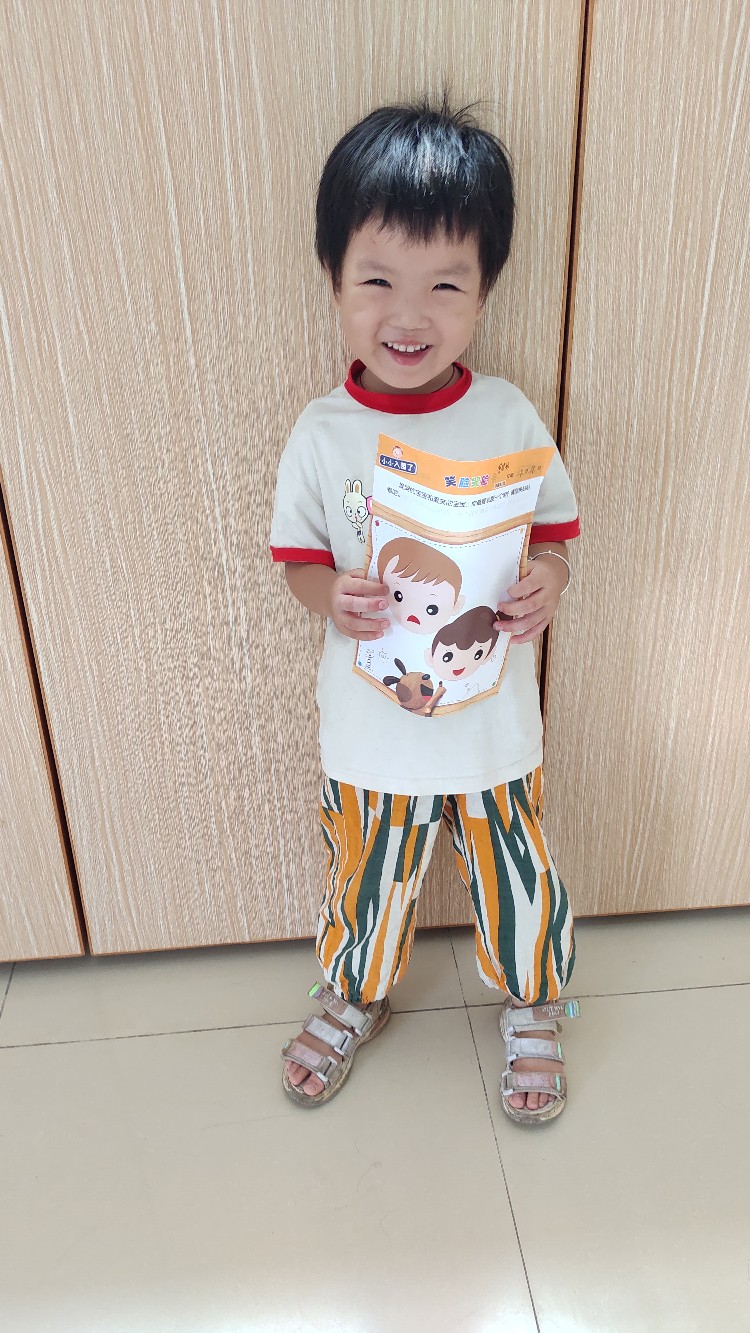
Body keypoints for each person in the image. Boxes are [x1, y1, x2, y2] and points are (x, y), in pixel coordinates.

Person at [269, 100, 581, 1123]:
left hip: (494, 728)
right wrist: (332, 595)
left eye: (445, 285)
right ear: (334, 281)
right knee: (366, 877)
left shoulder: (506, 414)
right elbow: (296, 560)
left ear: (484, 291)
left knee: (517, 874)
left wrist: (546, 580)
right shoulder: (324, 433)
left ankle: (533, 1000)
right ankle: (355, 992)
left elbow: (555, 532)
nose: (410, 315)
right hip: (372, 734)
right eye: (378, 281)